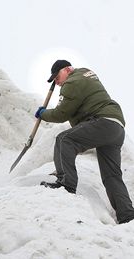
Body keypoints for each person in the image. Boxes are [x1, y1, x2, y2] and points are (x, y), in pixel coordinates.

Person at [36, 59, 134, 224]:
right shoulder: (85, 74)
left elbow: (61, 114)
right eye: (54, 81)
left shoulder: (72, 83)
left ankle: (65, 184)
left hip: (103, 122)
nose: (57, 82)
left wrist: (43, 113)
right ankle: (127, 217)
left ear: (67, 69)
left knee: (64, 139)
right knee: (111, 176)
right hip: (116, 128)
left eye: (57, 77)